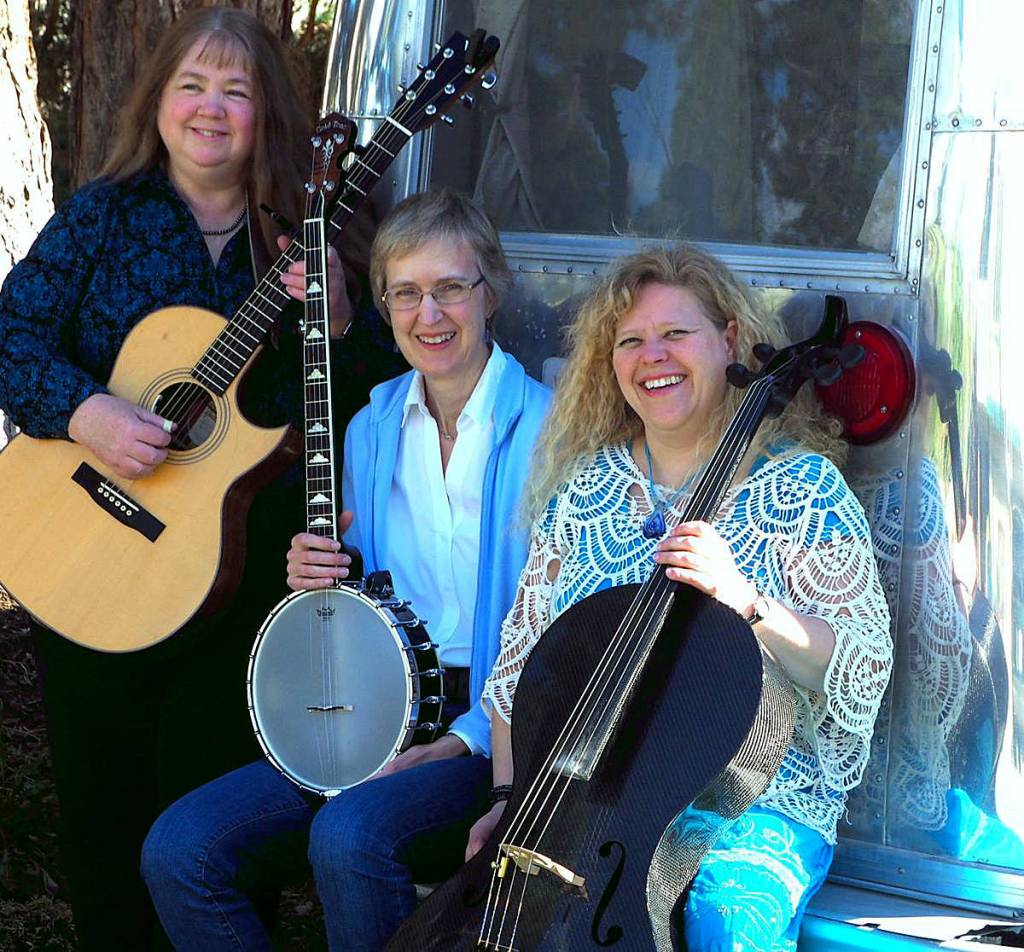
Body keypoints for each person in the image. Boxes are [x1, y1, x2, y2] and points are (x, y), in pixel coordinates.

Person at [0, 8, 402, 948]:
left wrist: (342, 323)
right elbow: (11, 335)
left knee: (210, 833)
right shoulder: (104, 214)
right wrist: (87, 413)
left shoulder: (310, 232)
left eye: (237, 90)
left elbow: (380, 401)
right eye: (193, 85)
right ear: (159, 102)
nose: (211, 109)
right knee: (102, 822)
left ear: (270, 115)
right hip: (93, 550)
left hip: (239, 582)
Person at [141, 187, 551, 950]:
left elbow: (561, 628)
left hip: (493, 730)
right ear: (385, 307)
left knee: (349, 835)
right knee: (181, 850)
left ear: (489, 292)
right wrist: (317, 571)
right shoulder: (369, 426)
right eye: (405, 294)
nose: (428, 315)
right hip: (373, 709)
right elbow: (362, 587)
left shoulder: (550, 429)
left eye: (450, 288)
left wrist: (461, 738)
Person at [470, 246, 893, 951]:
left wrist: (748, 600)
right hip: (600, 798)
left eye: (675, 335)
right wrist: (510, 804)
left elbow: (858, 665)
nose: (652, 356)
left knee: (724, 915)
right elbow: (518, 674)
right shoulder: (586, 490)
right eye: (630, 341)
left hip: (754, 799)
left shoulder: (803, 490)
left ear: (729, 339)